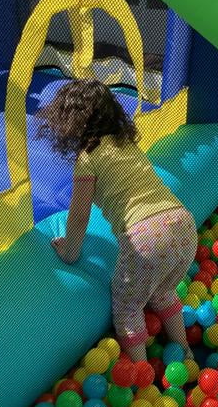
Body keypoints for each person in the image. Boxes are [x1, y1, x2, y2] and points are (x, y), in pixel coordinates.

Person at [37, 78, 198, 362]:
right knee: (164, 291)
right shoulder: (128, 145)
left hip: (146, 236)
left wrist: (70, 252)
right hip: (183, 223)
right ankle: (185, 353)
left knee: (127, 307)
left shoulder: (88, 159)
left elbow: (78, 216)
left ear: (71, 124)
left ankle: (143, 379)